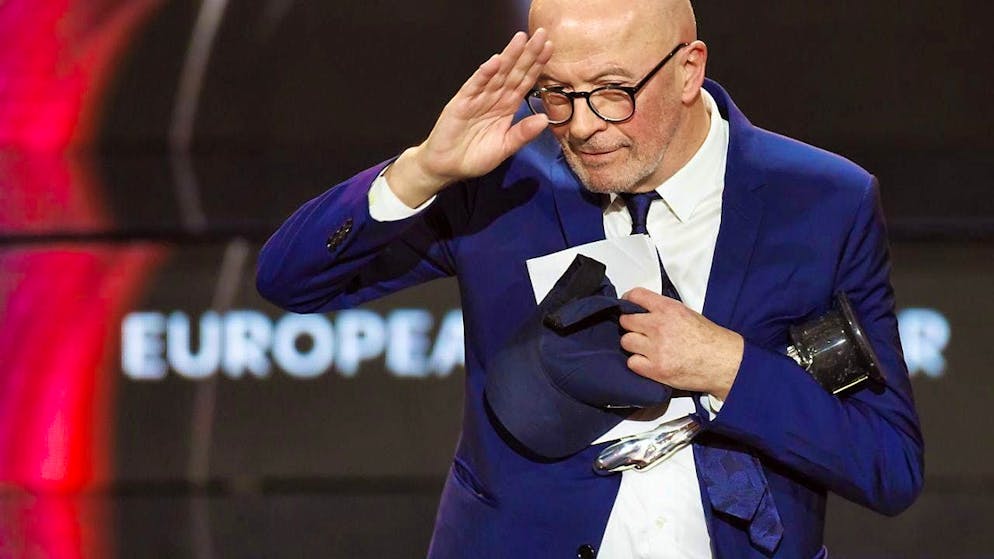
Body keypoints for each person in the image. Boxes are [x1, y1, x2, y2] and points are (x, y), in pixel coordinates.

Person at [256, 0, 924, 557]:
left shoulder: (821, 203)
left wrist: (728, 366)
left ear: (689, 70)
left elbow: (889, 464)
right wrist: (424, 169)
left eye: (612, 91)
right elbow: (290, 278)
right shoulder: (501, 181)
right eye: (557, 93)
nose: (581, 126)